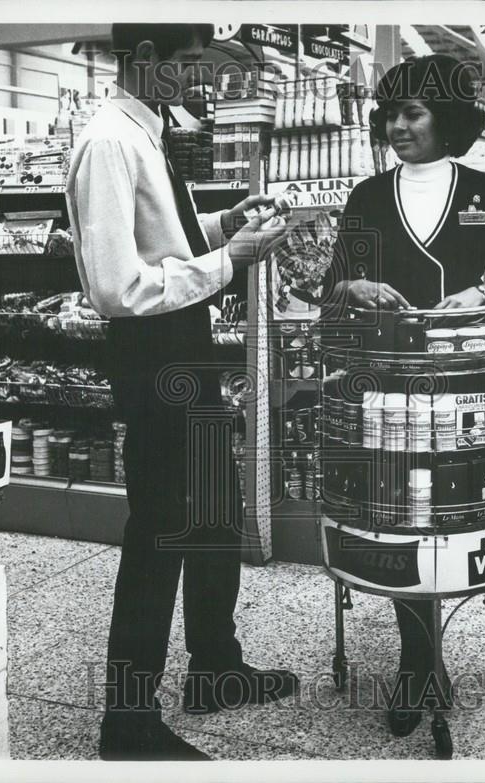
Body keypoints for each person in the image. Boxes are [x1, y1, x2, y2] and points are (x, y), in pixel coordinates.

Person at [65, 23, 296, 761]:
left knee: (216, 504)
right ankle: (126, 723)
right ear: (143, 60)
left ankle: (215, 666)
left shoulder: (154, 129)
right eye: (188, 64)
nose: (202, 80)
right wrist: (229, 261)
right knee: (160, 528)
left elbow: (161, 243)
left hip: (183, 341)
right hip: (150, 348)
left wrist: (225, 225)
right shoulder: (108, 142)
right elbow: (117, 286)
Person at [322, 54, 485, 738]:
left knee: (455, 501)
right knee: (407, 509)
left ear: (450, 122)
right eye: (390, 114)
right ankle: (418, 657)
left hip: (466, 374)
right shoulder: (368, 198)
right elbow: (334, 283)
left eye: (414, 113)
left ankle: (424, 652)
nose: (397, 125)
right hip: (392, 380)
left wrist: (482, 293)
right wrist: (359, 287)